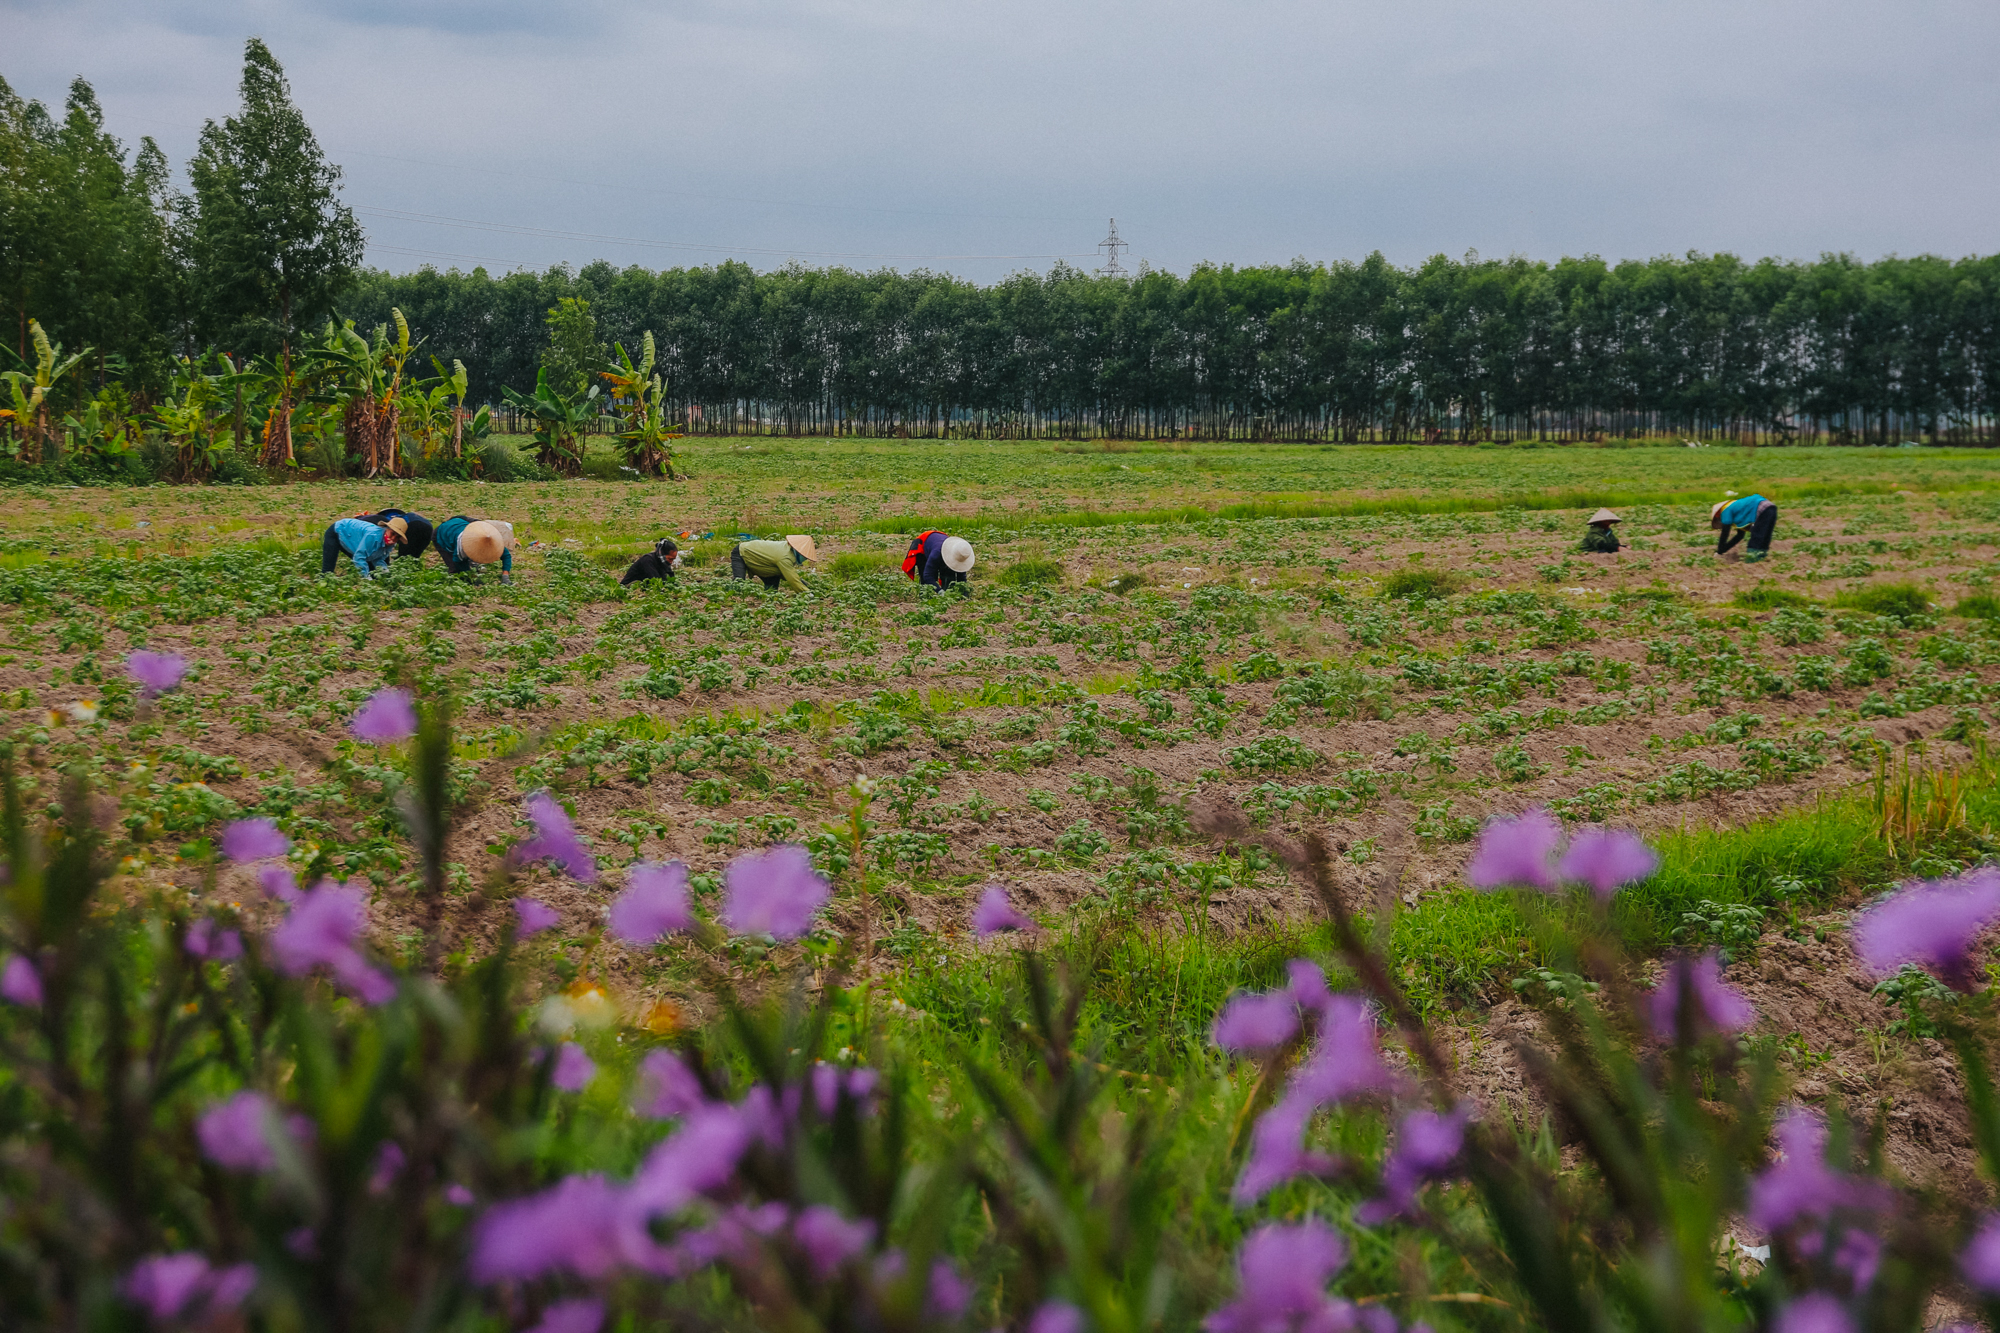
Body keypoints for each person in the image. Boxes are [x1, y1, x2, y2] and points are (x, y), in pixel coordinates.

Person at [321, 514, 407, 578]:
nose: (393, 539)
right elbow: (359, 557)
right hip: (338, 531)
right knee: (327, 572)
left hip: (352, 537)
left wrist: (385, 573)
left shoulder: (390, 545)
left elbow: (378, 559)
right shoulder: (373, 536)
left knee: (369, 568)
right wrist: (366, 579)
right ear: (387, 529)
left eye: (397, 537)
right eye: (392, 534)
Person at [434, 516, 517, 582]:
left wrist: (505, 575)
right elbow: (457, 561)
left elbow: (506, 556)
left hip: (460, 523)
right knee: (456, 571)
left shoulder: (495, 542)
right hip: (441, 533)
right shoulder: (462, 546)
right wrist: (472, 577)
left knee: (469, 565)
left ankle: (472, 565)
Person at [730, 534, 816, 591]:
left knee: (771, 590)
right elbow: (792, 579)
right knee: (739, 583)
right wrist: (807, 593)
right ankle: (731, 599)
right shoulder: (785, 557)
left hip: (763, 561)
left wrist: (805, 584)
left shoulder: (787, 548)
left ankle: (766, 601)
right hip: (741, 552)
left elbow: (788, 574)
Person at [1711, 494, 1777, 562]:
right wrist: (1723, 550)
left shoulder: (1725, 510)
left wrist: (1719, 551)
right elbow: (1740, 535)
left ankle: (1752, 560)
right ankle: (1762, 557)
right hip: (1771, 507)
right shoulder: (1738, 508)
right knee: (1765, 536)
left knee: (1756, 536)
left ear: (1717, 514)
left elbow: (1725, 532)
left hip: (1760, 507)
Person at [902, 530, 976, 590]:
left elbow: (962, 577)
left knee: (948, 576)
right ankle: (925, 599)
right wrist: (939, 591)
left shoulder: (961, 554)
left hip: (938, 542)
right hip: (923, 545)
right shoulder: (936, 554)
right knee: (926, 582)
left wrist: (964, 593)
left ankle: (946, 591)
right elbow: (927, 575)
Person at [354, 508, 434, 562]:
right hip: (428, 526)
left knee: (404, 559)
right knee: (411, 558)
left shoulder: (373, 522)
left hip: (414, 526)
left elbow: (381, 547)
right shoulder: (396, 515)